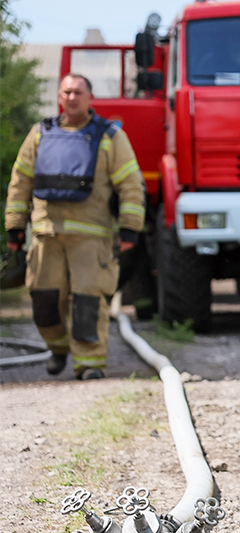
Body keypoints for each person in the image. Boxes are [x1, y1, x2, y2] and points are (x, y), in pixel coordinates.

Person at [5, 73, 146, 380]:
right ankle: (57, 348)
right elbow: (20, 182)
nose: (71, 97)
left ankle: (90, 364)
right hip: (46, 234)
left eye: (78, 92)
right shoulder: (40, 134)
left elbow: (131, 184)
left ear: (90, 98)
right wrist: (15, 226)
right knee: (44, 301)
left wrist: (130, 227)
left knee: (88, 301)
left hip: (91, 237)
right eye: (66, 92)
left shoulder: (109, 136)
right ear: (59, 96)